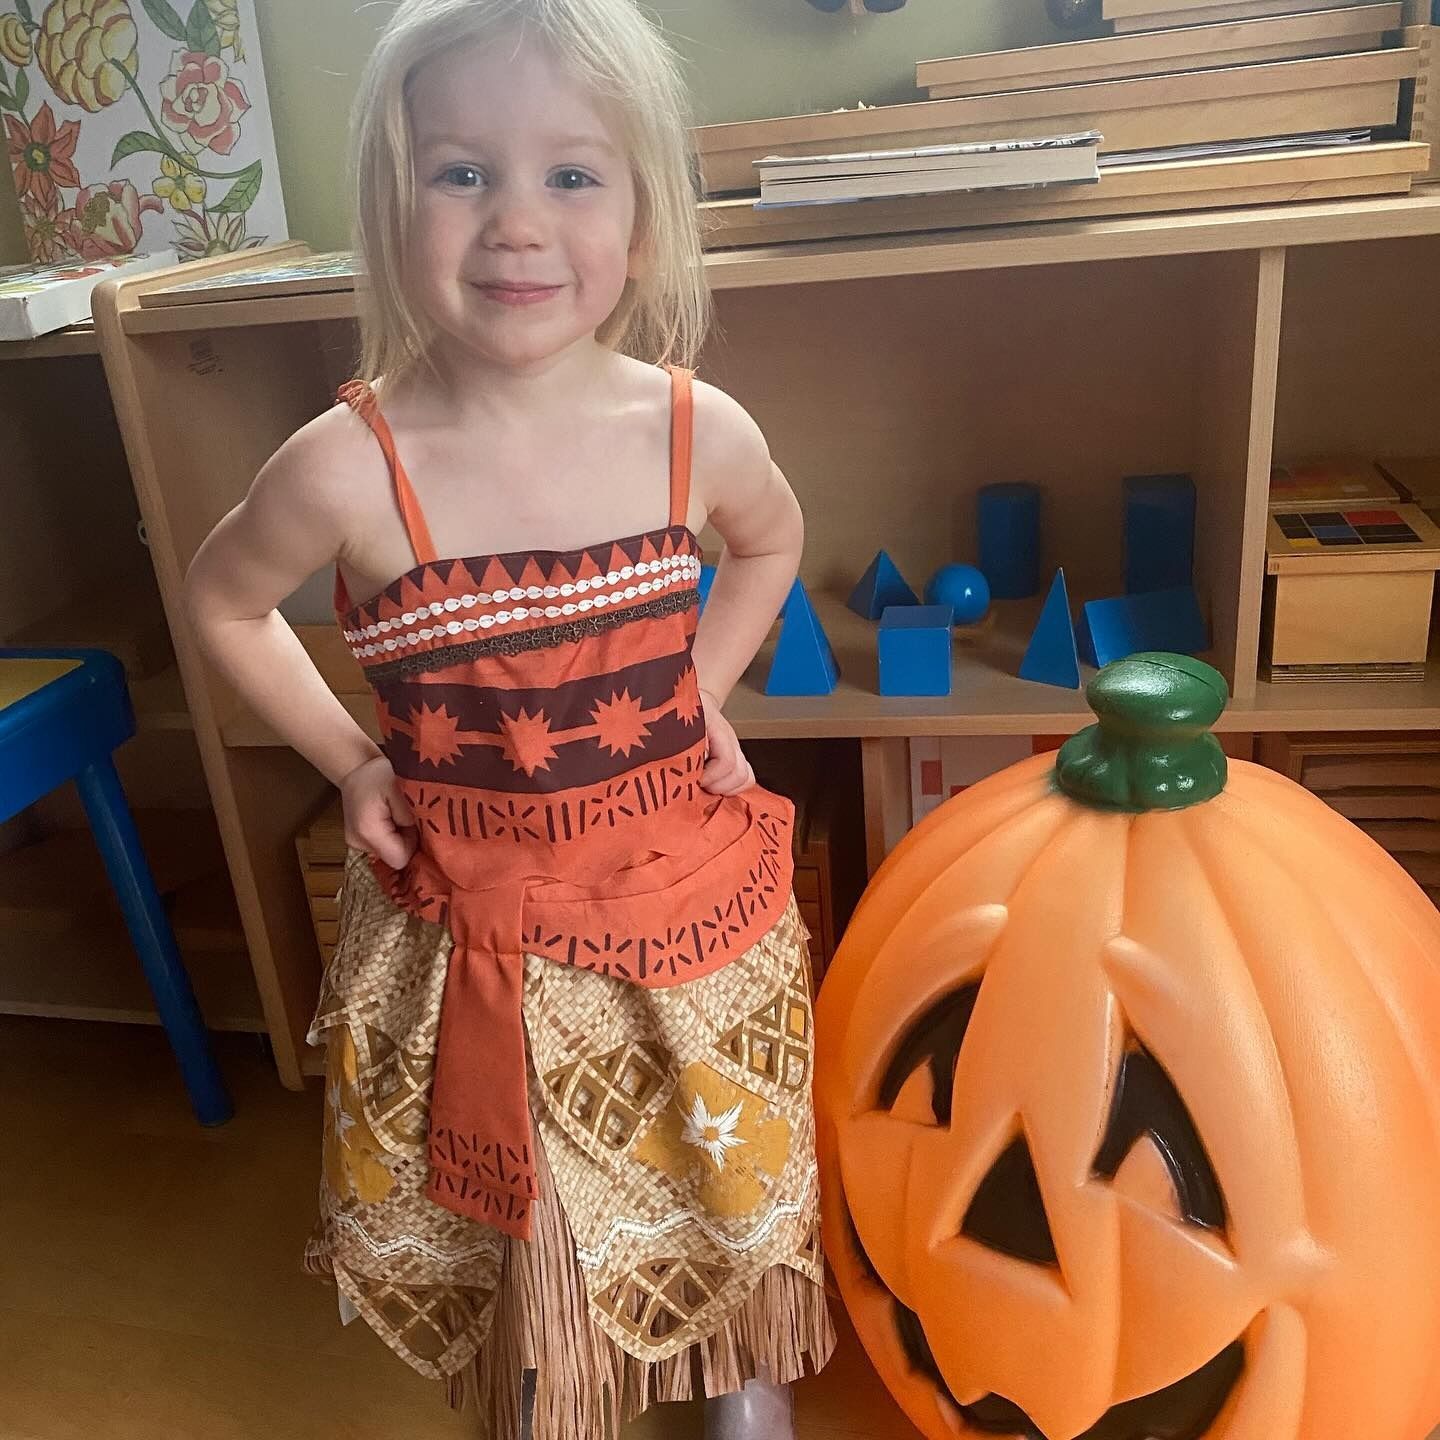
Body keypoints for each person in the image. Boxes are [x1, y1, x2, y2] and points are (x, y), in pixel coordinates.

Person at [182, 1, 834, 1435]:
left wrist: (698, 687)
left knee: (709, 1150)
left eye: (573, 176)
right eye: (461, 172)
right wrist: (351, 758)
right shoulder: (348, 468)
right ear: (389, 209)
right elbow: (222, 600)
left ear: (646, 222)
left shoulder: (693, 431)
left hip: (680, 909)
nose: (517, 225)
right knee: (535, 1184)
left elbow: (774, 545)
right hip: (472, 935)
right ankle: (555, 1371)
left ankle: (740, 1371)